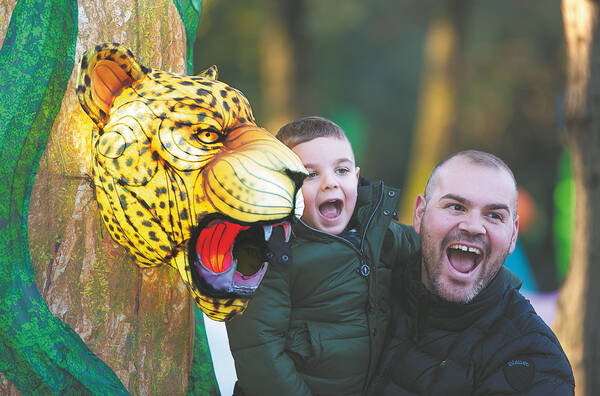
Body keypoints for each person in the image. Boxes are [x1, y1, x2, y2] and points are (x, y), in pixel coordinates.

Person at [225, 116, 419, 396]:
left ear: (356, 177)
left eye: (341, 170)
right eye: (310, 175)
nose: (330, 183)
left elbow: (430, 254)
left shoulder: (380, 233)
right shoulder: (271, 251)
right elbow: (259, 352)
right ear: (283, 185)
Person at [368, 150, 575, 395]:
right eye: (456, 207)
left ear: (513, 235)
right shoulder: (368, 294)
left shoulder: (534, 358)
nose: (474, 227)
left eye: (494, 215)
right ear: (420, 214)